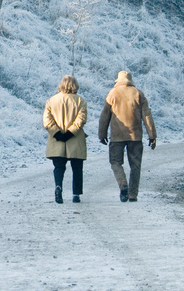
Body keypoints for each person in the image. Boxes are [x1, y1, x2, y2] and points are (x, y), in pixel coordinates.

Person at [98, 70, 156, 202]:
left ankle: (122, 182)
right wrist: (152, 135)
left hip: (117, 136)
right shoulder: (138, 93)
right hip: (135, 136)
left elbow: (105, 115)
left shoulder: (112, 93)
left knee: (115, 162)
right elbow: (147, 116)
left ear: (118, 81)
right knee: (135, 165)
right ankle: (132, 194)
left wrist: (102, 134)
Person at [43, 75, 88, 204]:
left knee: (59, 167)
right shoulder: (81, 101)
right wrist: (70, 132)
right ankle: (76, 194)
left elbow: (47, 120)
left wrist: (56, 133)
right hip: (75, 139)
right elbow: (81, 120)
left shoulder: (51, 101)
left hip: (57, 141)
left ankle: (58, 186)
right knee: (77, 168)